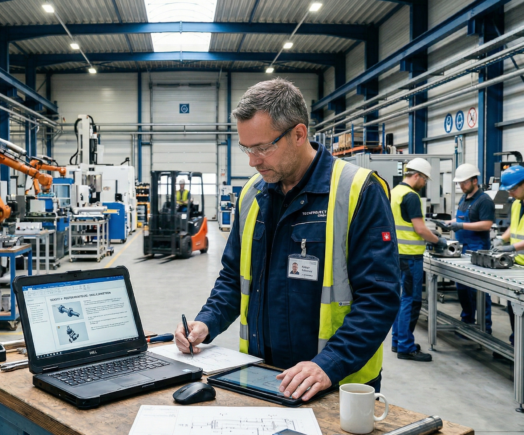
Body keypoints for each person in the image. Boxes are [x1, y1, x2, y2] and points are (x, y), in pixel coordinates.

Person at [174, 78, 400, 402]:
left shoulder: (357, 191)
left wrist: (328, 365)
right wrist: (205, 322)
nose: (253, 160)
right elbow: (232, 278)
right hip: (260, 374)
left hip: (335, 385)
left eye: (263, 148)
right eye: (246, 148)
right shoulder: (252, 195)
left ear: (298, 134)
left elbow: (379, 298)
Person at [390, 158, 446, 362]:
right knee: (411, 301)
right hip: (410, 257)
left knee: (401, 300)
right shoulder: (411, 196)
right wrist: (439, 241)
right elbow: (420, 229)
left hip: (396, 254)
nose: (424, 184)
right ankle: (406, 346)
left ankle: (398, 341)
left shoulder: (395, 192)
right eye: (425, 179)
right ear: (417, 176)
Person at [445, 164, 494, 332]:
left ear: (475, 180)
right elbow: (461, 218)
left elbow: (487, 224)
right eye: (459, 183)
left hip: (477, 249)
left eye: (464, 183)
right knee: (462, 288)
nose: (461, 186)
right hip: (461, 249)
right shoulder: (463, 198)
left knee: (478, 290)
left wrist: (462, 225)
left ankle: (484, 326)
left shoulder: (484, 200)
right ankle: (467, 321)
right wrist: (452, 222)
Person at [492, 165, 524, 348]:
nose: (510, 194)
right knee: (514, 309)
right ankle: (516, 345)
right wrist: (501, 240)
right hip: (517, 265)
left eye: (513, 189)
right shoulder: (517, 204)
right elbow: (514, 227)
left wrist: (511, 247)